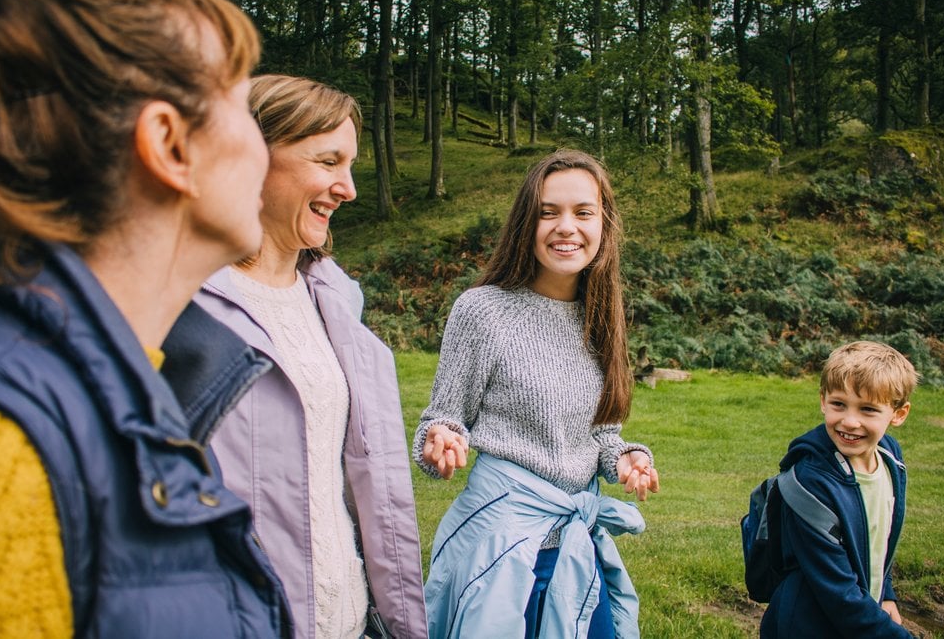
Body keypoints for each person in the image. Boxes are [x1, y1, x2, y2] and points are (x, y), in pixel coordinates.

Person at [0, 0, 292, 637]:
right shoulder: (11, 454)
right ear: (170, 145)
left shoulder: (147, 384)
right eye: (245, 106)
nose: (264, 153)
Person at [179, 73, 428, 639]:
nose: (348, 188)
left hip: (350, 622)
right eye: (327, 161)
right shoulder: (179, 302)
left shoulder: (337, 300)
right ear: (249, 156)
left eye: (351, 166)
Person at [413, 149, 661, 638]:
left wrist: (625, 457)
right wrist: (439, 439)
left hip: (576, 546)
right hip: (502, 548)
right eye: (549, 212)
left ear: (603, 225)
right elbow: (442, 417)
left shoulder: (603, 316)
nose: (565, 226)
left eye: (582, 212)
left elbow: (603, 433)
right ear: (527, 223)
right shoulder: (483, 311)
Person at [760, 340, 919, 638]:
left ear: (898, 413)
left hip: (859, 615)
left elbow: (876, 540)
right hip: (808, 624)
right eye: (838, 404)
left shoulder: (889, 458)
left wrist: (885, 592)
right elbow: (837, 593)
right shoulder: (810, 482)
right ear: (823, 400)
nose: (849, 421)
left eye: (868, 409)